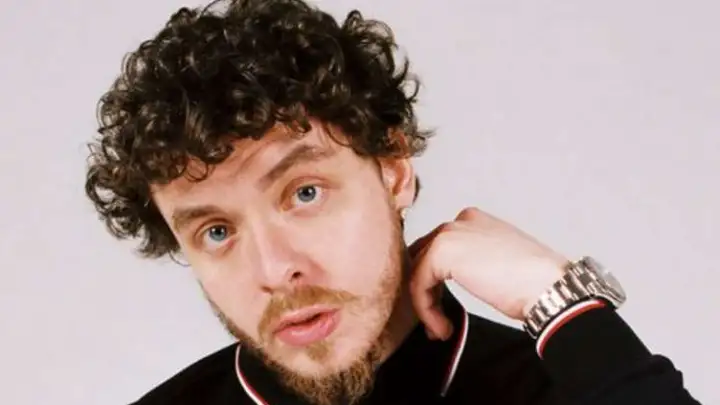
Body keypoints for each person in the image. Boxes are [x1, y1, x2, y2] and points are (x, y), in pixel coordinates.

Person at [83, 0, 702, 404]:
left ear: (395, 170)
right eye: (217, 232)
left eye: (304, 193)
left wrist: (559, 299)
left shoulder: (573, 390)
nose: (275, 270)